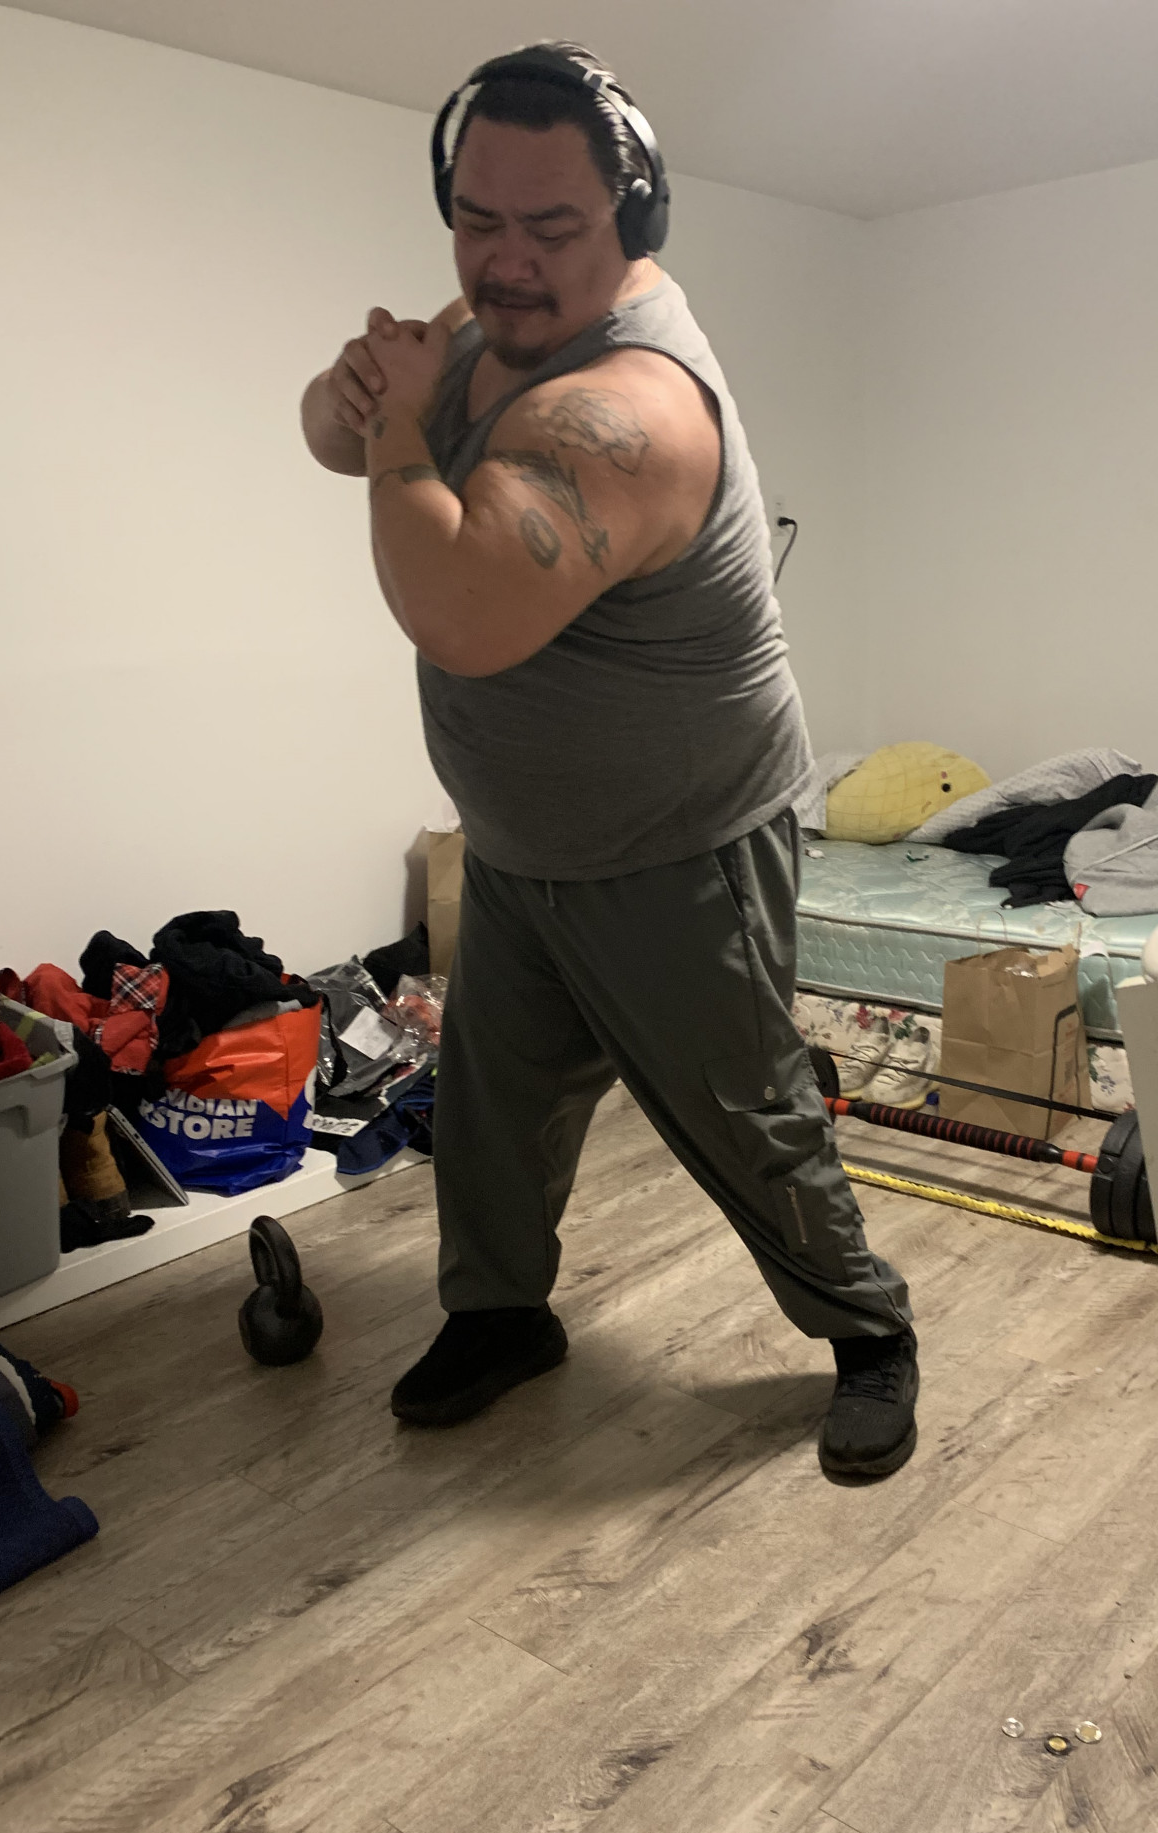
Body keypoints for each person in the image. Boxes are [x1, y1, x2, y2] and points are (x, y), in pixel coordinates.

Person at [299, 43, 917, 1480]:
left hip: (677, 843)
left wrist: (398, 423)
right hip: (525, 839)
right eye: (477, 219)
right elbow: (339, 435)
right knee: (497, 1110)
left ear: (634, 223)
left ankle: (870, 1331)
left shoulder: (630, 411)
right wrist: (359, 395)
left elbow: (459, 613)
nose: (505, 261)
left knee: (747, 1117)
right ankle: (500, 1317)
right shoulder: (499, 316)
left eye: (552, 227)